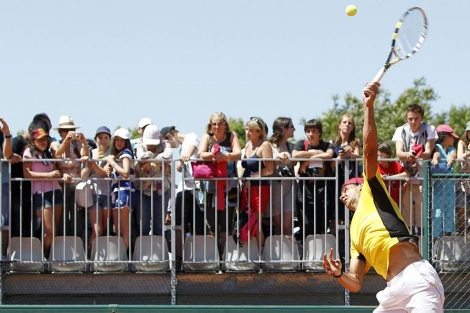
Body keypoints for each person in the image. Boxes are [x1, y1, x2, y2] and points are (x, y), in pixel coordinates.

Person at [323, 81, 445, 313]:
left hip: (418, 280)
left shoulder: (371, 188)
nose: (342, 196)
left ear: (358, 186)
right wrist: (339, 274)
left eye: (344, 190)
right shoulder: (354, 234)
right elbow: (356, 282)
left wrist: (368, 106)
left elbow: (369, 151)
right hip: (392, 292)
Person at [198, 112, 241, 251]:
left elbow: (238, 154)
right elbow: (201, 154)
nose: (216, 126)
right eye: (214, 123)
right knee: (212, 222)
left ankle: (225, 255)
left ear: (225, 124)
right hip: (211, 186)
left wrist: (226, 156)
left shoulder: (231, 136)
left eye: (219, 123)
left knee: (227, 222)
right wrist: (213, 155)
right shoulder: (207, 137)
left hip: (229, 185)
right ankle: (214, 254)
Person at [392, 104, 438, 235]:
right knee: (406, 219)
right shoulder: (400, 130)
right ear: (406, 118)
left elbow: (428, 152)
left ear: (422, 118)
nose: (413, 122)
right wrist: (410, 155)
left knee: (422, 218)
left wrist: (415, 155)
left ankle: (423, 250)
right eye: (410, 118)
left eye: (416, 118)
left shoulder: (429, 129)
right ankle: (410, 250)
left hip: (422, 179)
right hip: (406, 180)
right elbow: (399, 153)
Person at [23, 126, 69, 256]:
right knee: (49, 229)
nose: (44, 142)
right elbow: (27, 174)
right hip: (42, 193)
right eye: (40, 139)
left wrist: (62, 177)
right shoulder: (29, 152)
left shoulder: (47, 154)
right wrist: (48, 176)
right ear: (33, 141)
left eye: (45, 139)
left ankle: (50, 257)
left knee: (54, 229)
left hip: (56, 191)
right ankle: (44, 255)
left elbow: (54, 172)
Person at [292, 119, 334, 236]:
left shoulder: (326, 145)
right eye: (308, 131)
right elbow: (295, 154)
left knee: (321, 226)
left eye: (314, 131)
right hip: (304, 191)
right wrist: (316, 153)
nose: (311, 134)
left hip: (322, 191)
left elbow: (328, 155)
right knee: (305, 226)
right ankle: (306, 252)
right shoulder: (301, 144)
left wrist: (308, 160)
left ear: (319, 133)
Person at [52, 115, 89, 239]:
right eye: (64, 130)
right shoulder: (55, 143)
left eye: (70, 130)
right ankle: (61, 244)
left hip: (77, 184)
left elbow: (85, 155)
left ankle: (77, 242)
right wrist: (65, 142)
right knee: (62, 214)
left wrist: (83, 142)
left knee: (77, 215)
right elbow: (56, 155)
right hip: (61, 184)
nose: (68, 133)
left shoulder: (77, 144)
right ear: (60, 132)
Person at [134, 124, 172, 237]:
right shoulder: (139, 144)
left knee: (159, 226)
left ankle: (158, 252)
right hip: (142, 189)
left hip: (162, 189)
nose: (151, 145)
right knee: (143, 225)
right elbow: (141, 156)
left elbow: (168, 156)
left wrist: (150, 160)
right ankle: (143, 252)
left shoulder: (166, 144)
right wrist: (155, 156)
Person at [240, 117, 273, 245]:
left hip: (259, 188)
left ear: (259, 132)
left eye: (252, 130)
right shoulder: (248, 145)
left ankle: (261, 256)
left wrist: (253, 176)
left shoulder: (264, 145)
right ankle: (252, 254)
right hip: (246, 188)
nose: (248, 133)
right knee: (247, 221)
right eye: (247, 129)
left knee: (257, 223)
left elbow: (269, 169)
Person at [80, 126, 113, 253]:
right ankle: (90, 256)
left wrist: (92, 162)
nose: (103, 140)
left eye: (106, 138)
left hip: (108, 194)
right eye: (100, 138)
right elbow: (83, 175)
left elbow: (105, 173)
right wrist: (87, 163)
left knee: (105, 228)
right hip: (94, 194)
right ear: (96, 139)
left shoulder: (111, 154)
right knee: (97, 230)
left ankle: (98, 257)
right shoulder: (90, 153)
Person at [106, 128, 136, 251]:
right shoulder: (117, 155)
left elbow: (125, 173)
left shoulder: (126, 153)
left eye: (121, 140)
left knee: (124, 228)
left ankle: (125, 257)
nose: (118, 142)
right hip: (117, 192)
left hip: (125, 191)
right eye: (117, 140)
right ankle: (121, 255)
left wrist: (112, 163)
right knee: (117, 228)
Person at [266, 117, 297, 236]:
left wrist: (289, 159)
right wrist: (277, 157)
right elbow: (267, 163)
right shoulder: (269, 146)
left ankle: (290, 251)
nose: (294, 129)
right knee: (278, 225)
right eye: (291, 127)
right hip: (275, 187)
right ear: (284, 129)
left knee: (287, 225)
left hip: (289, 187)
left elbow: (295, 162)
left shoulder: (292, 146)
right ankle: (279, 253)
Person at [330, 114, 361, 226]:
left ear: (352, 127)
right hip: (337, 180)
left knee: (353, 210)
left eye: (350, 123)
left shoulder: (355, 141)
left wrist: (350, 153)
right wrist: (339, 158)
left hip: (352, 179)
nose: (347, 125)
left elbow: (358, 156)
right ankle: (337, 241)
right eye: (344, 122)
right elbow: (331, 164)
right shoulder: (332, 143)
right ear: (339, 125)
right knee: (336, 213)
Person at [431, 125, 458, 239]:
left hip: (450, 191)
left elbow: (453, 155)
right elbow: (436, 153)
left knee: (449, 216)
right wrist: (435, 158)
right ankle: (435, 243)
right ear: (446, 137)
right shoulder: (436, 147)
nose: (454, 139)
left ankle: (447, 241)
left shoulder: (452, 150)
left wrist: (451, 158)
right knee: (437, 215)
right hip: (438, 190)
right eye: (452, 136)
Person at [0, 118, 12, 256]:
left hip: (2, 182)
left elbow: (6, 155)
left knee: (4, 221)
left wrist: (7, 134)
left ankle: (2, 256)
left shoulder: (3, 134)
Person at [456, 121, 470, 235]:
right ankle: (464, 235)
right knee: (461, 209)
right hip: (463, 182)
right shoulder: (462, 143)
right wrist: (468, 153)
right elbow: (460, 159)